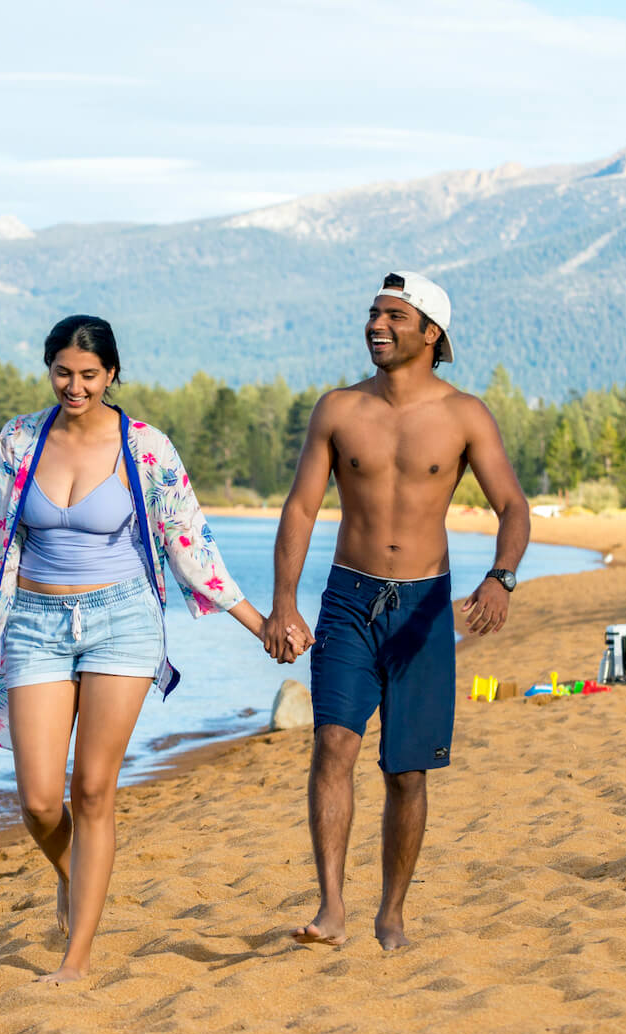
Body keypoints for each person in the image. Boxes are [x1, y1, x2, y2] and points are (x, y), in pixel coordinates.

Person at [0, 315, 273, 984]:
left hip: (122, 623)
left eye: (89, 375)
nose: (75, 387)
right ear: (49, 369)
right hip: (34, 623)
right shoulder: (20, 439)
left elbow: (190, 544)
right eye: (63, 373)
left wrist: (260, 623)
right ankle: (74, 874)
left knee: (95, 788)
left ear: (111, 375)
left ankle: (75, 959)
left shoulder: (144, 446)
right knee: (40, 802)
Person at [262, 271, 531, 950]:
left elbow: (513, 506)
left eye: (394, 316)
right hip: (348, 600)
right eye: (373, 314)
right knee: (333, 745)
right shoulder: (338, 409)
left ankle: (392, 914)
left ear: (431, 332)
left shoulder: (465, 415)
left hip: (423, 608)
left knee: (406, 771)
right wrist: (283, 602)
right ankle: (332, 908)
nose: (376, 326)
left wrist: (500, 578)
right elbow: (301, 507)